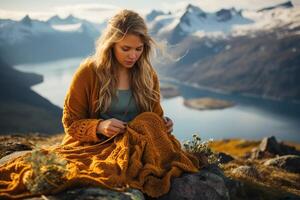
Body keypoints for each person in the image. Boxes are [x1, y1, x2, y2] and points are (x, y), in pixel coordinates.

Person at [0, 9, 200, 199]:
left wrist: (163, 123)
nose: (133, 55)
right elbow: (70, 122)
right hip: (94, 145)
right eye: (126, 48)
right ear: (110, 44)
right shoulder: (89, 72)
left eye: (139, 49)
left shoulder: (148, 75)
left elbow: (153, 116)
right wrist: (99, 127)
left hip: (136, 146)